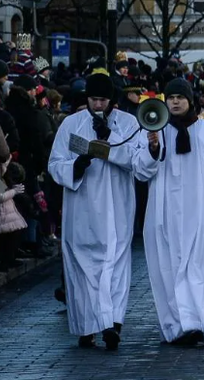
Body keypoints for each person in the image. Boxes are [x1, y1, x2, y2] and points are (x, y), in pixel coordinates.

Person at [134, 79, 204, 347]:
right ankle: (177, 326)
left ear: (190, 100)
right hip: (163, 213)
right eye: (171, 97)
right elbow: (141, 171)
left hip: (196, 212)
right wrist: (153, 149)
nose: (175, 102)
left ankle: (201, 322)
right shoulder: (155, 130)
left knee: (197, 269)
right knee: (168, 268)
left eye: (180, 97)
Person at [47, 72, 139, 350]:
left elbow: (136, 160)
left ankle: (113, 322)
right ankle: (87, 327)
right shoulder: (71, 124)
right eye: (93, 99)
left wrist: (109, 140)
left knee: (115, 265)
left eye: (103, 100)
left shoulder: (128, 123)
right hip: (83, 207)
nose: (98, 105)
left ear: (112, 101)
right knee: (83, 267)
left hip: (117, 206)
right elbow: (55, 163)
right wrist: (76, 166)